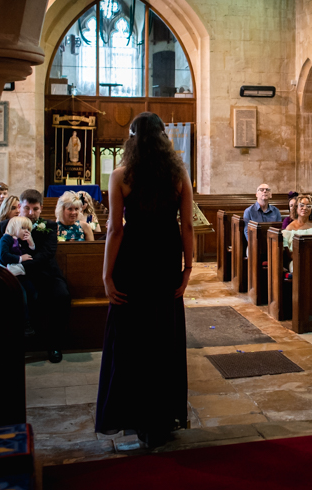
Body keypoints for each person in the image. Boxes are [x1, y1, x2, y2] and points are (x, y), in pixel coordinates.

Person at [96, 111, 194, 448]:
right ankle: (161, 417)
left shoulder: (122, 174)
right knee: (162, 335)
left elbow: (114, 229)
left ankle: (135, 416)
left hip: (134, 260)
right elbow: (188, 226)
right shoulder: (178, 174)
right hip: (165, 259)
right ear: (164, 139)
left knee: (131, 338)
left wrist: (107, 274)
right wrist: (188, 268)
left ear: (133, 139)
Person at [0, 189, 70, 364]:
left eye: (35, 209)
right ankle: (14, 345)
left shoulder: (50, 226)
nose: (31, 213)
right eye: (27, 208)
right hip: (16, 276)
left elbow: (46, 254)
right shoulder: (4, 226)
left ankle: (54, 344)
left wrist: (21, 265)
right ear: (19, 206)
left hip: (45, 273)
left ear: (41, 208)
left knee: (62, 295)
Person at [0, 215, 38, 334]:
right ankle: (25, 324)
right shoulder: (7, 239)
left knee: (33, 292)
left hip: (20, 274)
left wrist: (31, 242)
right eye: (23, 228)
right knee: (21, 295)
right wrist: (20, 258)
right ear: (14, 227)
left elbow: (30, 254)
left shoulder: (19, 241)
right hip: (8, 275)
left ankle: (31, 319)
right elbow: (2, 255)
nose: (26, 231)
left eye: (28, 229)